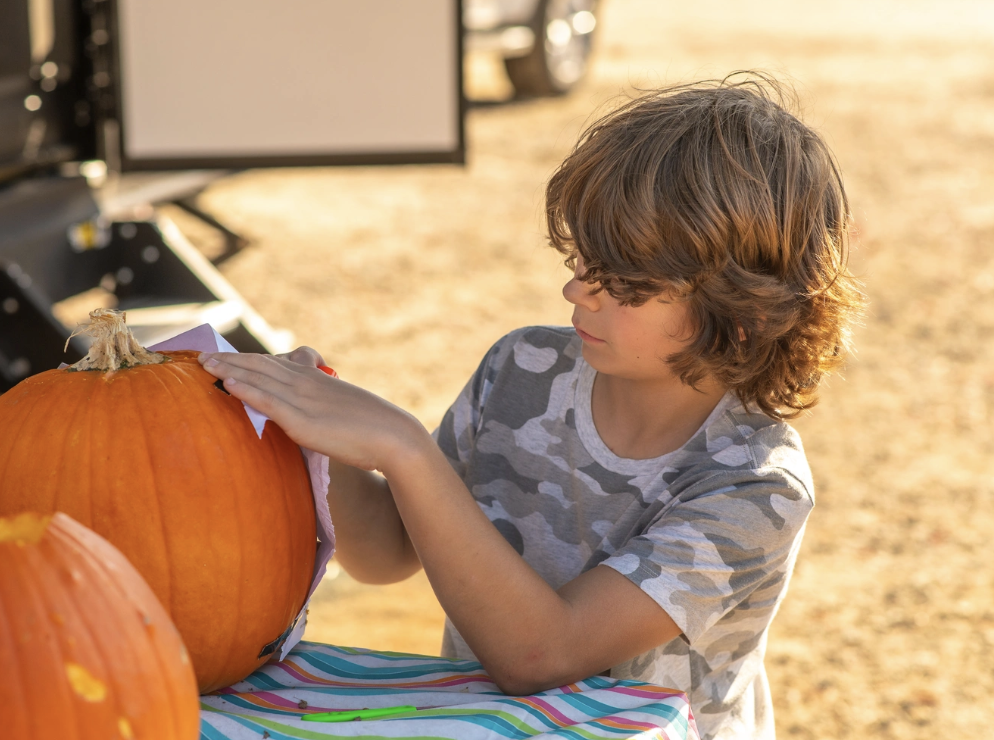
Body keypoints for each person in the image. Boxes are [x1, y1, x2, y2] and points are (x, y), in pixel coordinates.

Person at [198, 73, 864, 740]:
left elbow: (544, 654)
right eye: (583, 258)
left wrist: (402, 446)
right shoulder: (523, 370)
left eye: (627, 282)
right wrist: (315, 436)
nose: (578, 290)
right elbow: (385, 553)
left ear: (743, 310)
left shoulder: (754, 486)